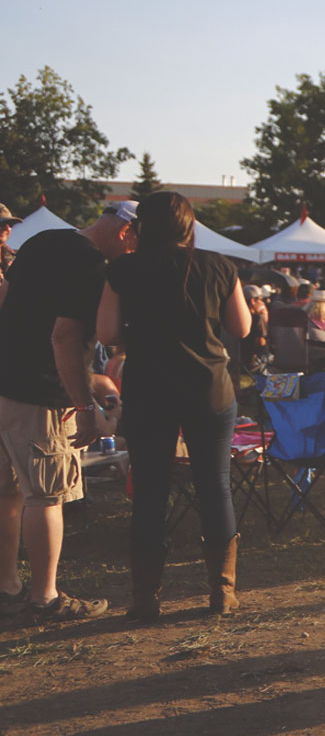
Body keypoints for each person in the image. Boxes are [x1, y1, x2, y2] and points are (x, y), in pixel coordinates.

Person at [97, 192, 251, 621]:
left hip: (150, 389)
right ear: (190, 226)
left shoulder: (122, 269)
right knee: (215, 486)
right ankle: (222, 592)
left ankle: (145, 597)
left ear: (144, 226)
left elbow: (107, 332)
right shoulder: (220, 265)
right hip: (210, 388)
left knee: (149, 491)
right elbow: (240, 325)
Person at [0, 201, 139, 619]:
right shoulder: (92, 266)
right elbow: (64, 335)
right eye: (135, 243)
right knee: (47, 496)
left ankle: (7, 587)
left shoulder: (43, 240)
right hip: (40, 392)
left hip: (4, 381)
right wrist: (81, 404)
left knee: (7, 492)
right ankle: (45, 598)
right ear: (123, 233)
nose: (133, 253)